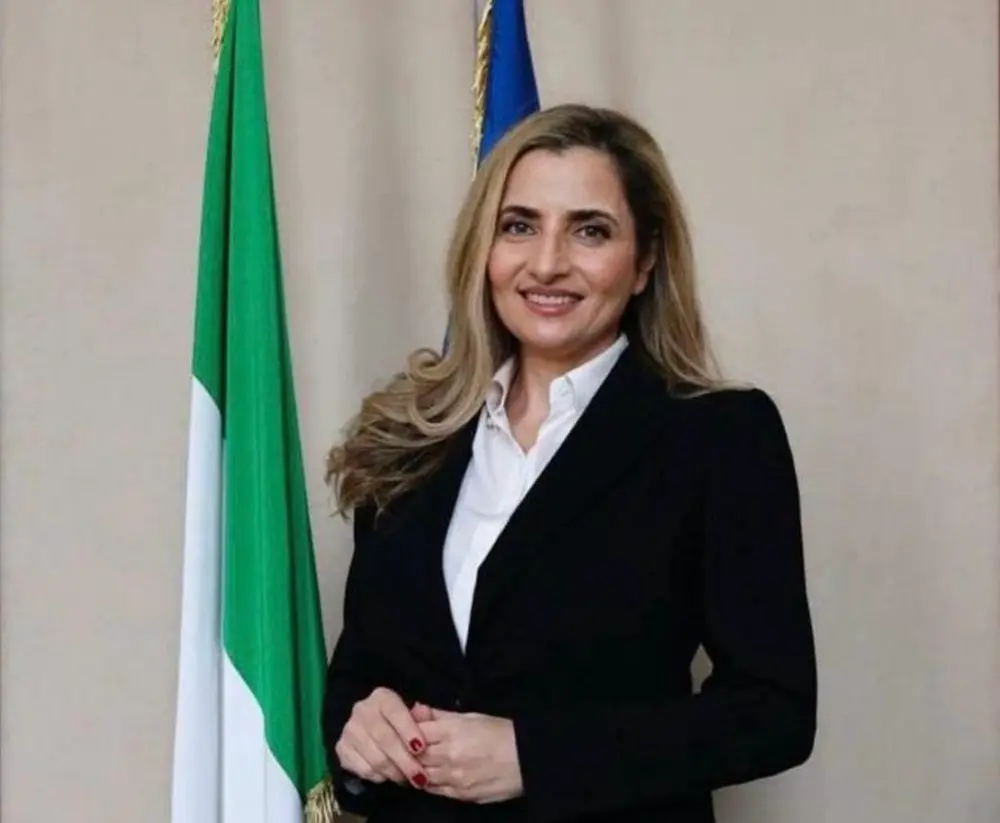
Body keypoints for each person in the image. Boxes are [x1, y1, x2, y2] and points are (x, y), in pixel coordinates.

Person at [322, 103, 817, 823]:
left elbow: (774, 711)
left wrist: (535, 757)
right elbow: (360, 673)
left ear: (645, 261)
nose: (548, 262)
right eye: (519, 226)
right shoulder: (412, 436)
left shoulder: (718, 437)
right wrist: (361, 731)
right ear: (483, 249)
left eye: (590, 230)